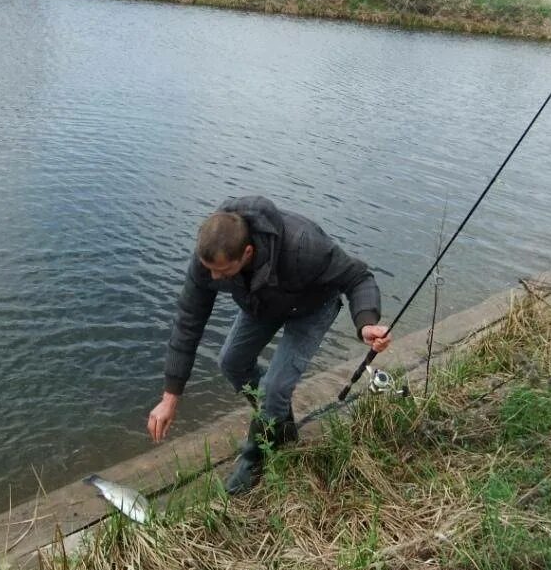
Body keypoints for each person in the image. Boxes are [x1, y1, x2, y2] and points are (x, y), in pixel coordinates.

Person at [146, 195, 391, 494]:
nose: (213, 278)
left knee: (276, 386)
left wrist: (365, 322)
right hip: (261, 302)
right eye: (209, 269)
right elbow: (188, 320)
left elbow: (358, 277)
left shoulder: (303, 245)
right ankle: (279, 425)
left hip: (313, 306)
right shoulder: (209, 257)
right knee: (230, 362)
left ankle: (257, 453)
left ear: (247, 252)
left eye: (223, 273)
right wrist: (170, 397)